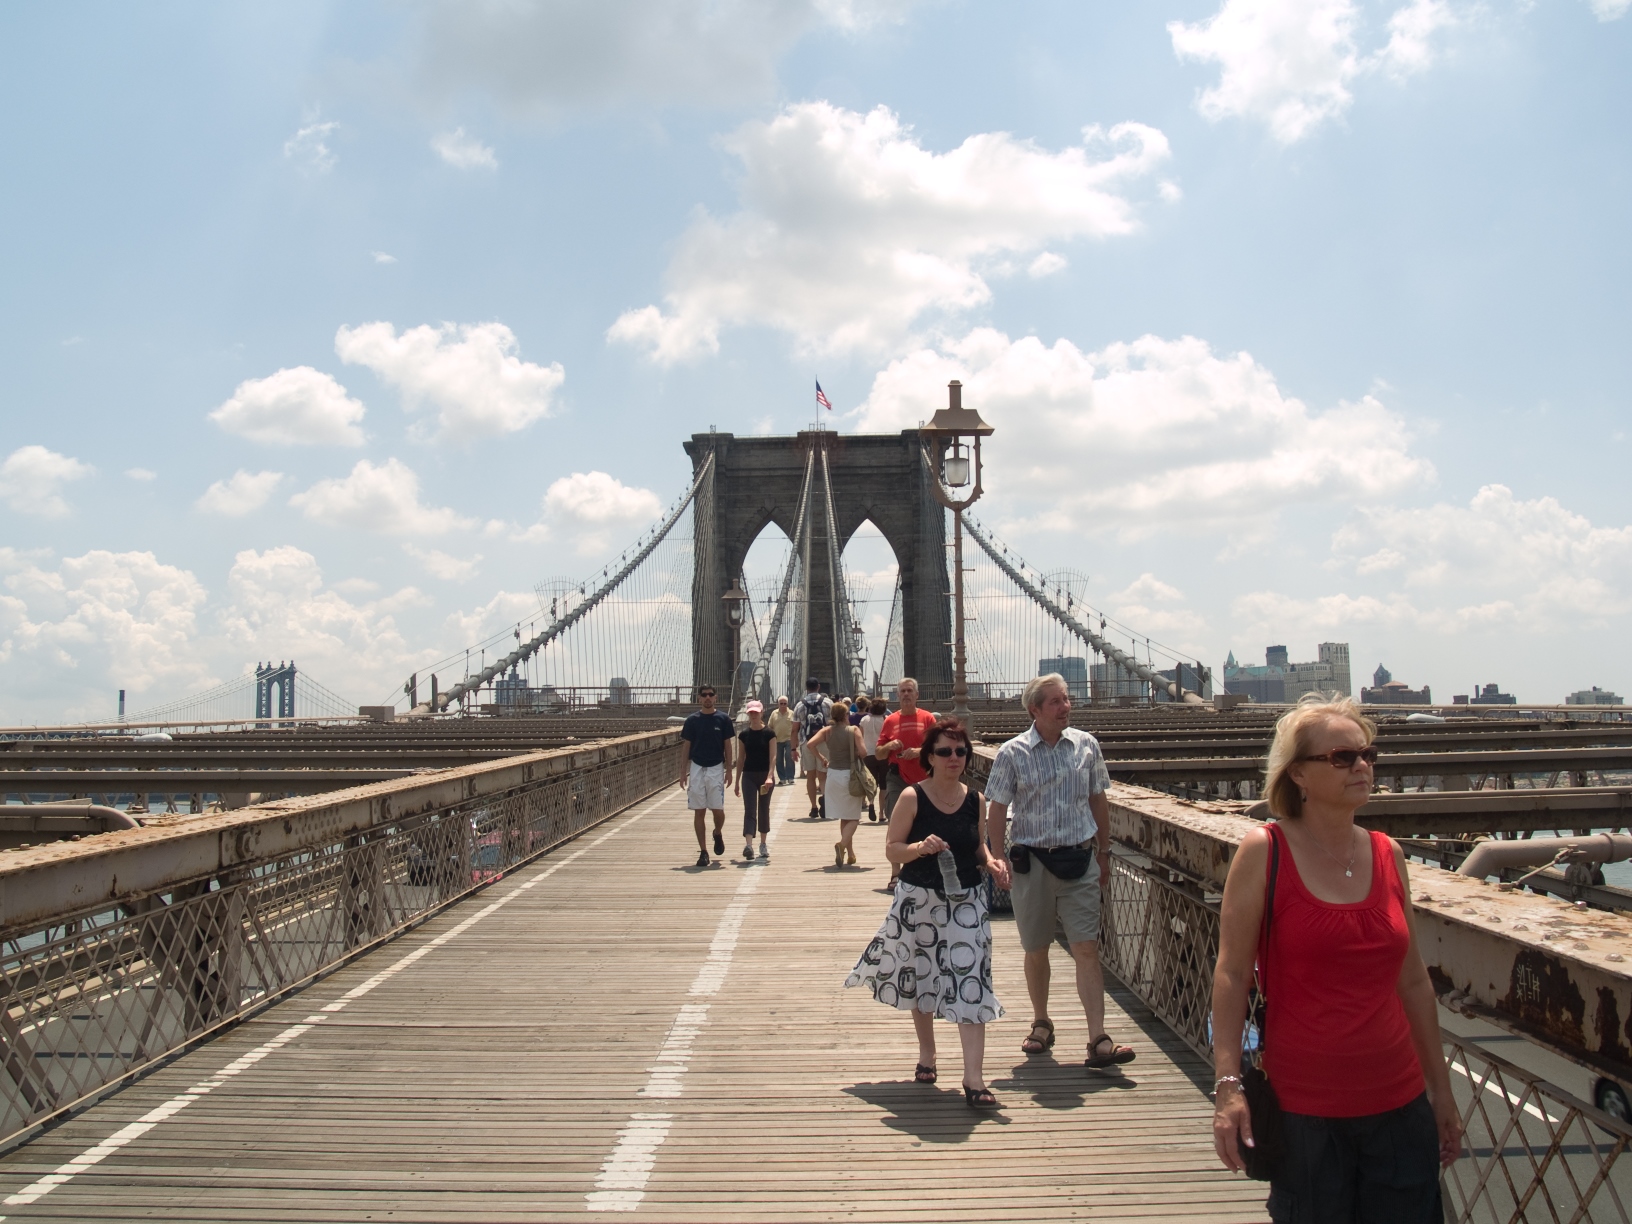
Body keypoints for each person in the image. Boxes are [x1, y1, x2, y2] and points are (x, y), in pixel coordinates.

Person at [1211, 695, 1461, 1221]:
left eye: (1368, 755)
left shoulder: (1387, 853)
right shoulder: (1265, 851)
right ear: (1298, 774)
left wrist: (1441, 1092)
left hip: (1400, 1106)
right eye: (1342, 758)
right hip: (1306, 1116)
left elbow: (1414, 983)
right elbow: (1232, 976)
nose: (1362, 767)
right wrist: (1228, 1087)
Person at [846, 718, 1009, 1108]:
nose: (954, 758)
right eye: (945, 751)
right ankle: (928, 1054)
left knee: (972, 978)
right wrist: (920, 847)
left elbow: (977, 846)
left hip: (967, 900)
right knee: (924, 977)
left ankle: (974, 1078)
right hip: (920, 899)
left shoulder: (976, 799)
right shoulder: (911, 798)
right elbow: (892, 850)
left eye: (960, 751)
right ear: (929, 758)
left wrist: (992, 862)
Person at [984, 673, 1133, 1068]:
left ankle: (1098, 1038)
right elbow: (996, 807)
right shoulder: (1012, 753)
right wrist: (997, 856)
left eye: (1066, 700)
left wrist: (1104, 852)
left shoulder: (1087, 746)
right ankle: (1041, 1022)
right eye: (1055, 702)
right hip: (1031, 863)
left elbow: (1098, 799)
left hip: (1079, 859)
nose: (1065, 707)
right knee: (1036, 949)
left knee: (1086, 947)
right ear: (1035, 709)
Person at [875, 677, 938, 887]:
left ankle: (923, 869)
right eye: (902, 691)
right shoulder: (890, 720)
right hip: (897, 777)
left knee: (926, 824)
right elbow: (878, 754)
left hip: (925, 780)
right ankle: (895, 874)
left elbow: (938, 749)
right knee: (895, 823)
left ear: (917, 695)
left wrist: (920, 752)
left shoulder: (928, 719)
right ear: (897, 695)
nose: (906, 695)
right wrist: (889, 746)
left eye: (910, 691)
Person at [677, 685, 735, 868]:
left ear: (715, 698)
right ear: (699, 698)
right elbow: (686, 746)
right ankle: (703, 852)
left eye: (711, 695)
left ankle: (717, 832)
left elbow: (728, 745)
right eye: (704, 695)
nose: (708, 698)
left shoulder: (723, 719)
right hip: (696, 767)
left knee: (718, 810)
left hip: (716, 767)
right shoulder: (692, 721)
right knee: (699, 810)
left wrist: (729, 770)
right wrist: (682, 772)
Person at [808, 699, 868, 866]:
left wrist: (821, 758)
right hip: (850, 776)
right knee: (854, 817)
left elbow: (810, 744)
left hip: (833, 776)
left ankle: (850, 854)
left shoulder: (827, 731)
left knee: (844, 816)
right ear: (846, 715)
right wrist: (854, 751)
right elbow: (863, 752)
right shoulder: (854, 730)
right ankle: (841, 845)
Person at [734, 700, 777, 862]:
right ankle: (748, 845)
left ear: (761, 713)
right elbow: (740, 759)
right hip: (749, 776)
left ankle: (763, 844)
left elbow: (773, 756)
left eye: (756, 712)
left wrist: (770, 776)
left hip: (765, 776)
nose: (753, 715)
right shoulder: (744, 735)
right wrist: (737, 781)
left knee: (764, 809)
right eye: (751, 713)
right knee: (750, 809)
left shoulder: (769, 733)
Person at [792, 678, 832, 820]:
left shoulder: (799, 705)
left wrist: (793, 749)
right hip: (824, 741)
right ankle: (826, 799)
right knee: (823, 775)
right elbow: (833, 724)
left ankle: (814, 808)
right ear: (819, 687)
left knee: (810, 776)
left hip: (806, 742)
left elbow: (794, 729)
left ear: (806, 687)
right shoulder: (828, 702)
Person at [859, 698, 890, 821]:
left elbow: (860, 737)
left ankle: (871, 803)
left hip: (868, 754)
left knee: (871, 783)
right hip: (883, 755)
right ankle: (881, 813)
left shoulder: (864, 720)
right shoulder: (886, 720)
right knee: (883, 785)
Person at [769, 696, 796, 786]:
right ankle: (782, 778)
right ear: (778, 704)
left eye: (785, 703)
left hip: (789, 739)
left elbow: (796, 728)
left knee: (789, 758)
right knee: (778, 760)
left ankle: (790, 777)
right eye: (781, 703)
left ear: (787, 704)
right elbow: (770, 726)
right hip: (777, 740)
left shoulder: (792, 713)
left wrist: (796, 740)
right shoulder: (774, 713)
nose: (783, 705)